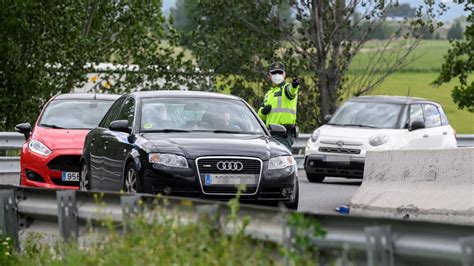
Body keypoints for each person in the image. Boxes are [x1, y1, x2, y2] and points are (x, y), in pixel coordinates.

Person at [258, 62, 300, 151]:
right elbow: (259, 116)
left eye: (280, 72)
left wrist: (295, 85)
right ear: (269, 75)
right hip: (270, 135)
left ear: (284, 74)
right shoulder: (269, 94)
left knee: (283, 161)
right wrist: (263, 111)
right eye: (274, 73)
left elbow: (291, 92)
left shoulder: (287, 88)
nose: (277, 75)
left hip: (284, 134)